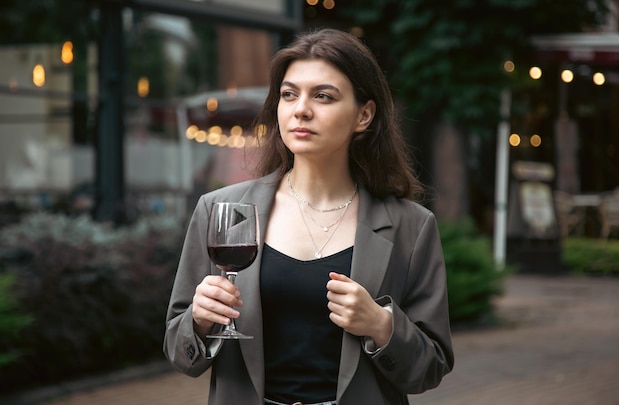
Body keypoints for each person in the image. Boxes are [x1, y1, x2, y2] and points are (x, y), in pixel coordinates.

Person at [164, 28, 454, 405]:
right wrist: (200, 322)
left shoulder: (411, 226)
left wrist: (382, 326)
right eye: (289, 94)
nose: (301, 108)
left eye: (323, 96)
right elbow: (178, 350)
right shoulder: (221, 211)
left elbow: (430, 368)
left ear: (363, 115)